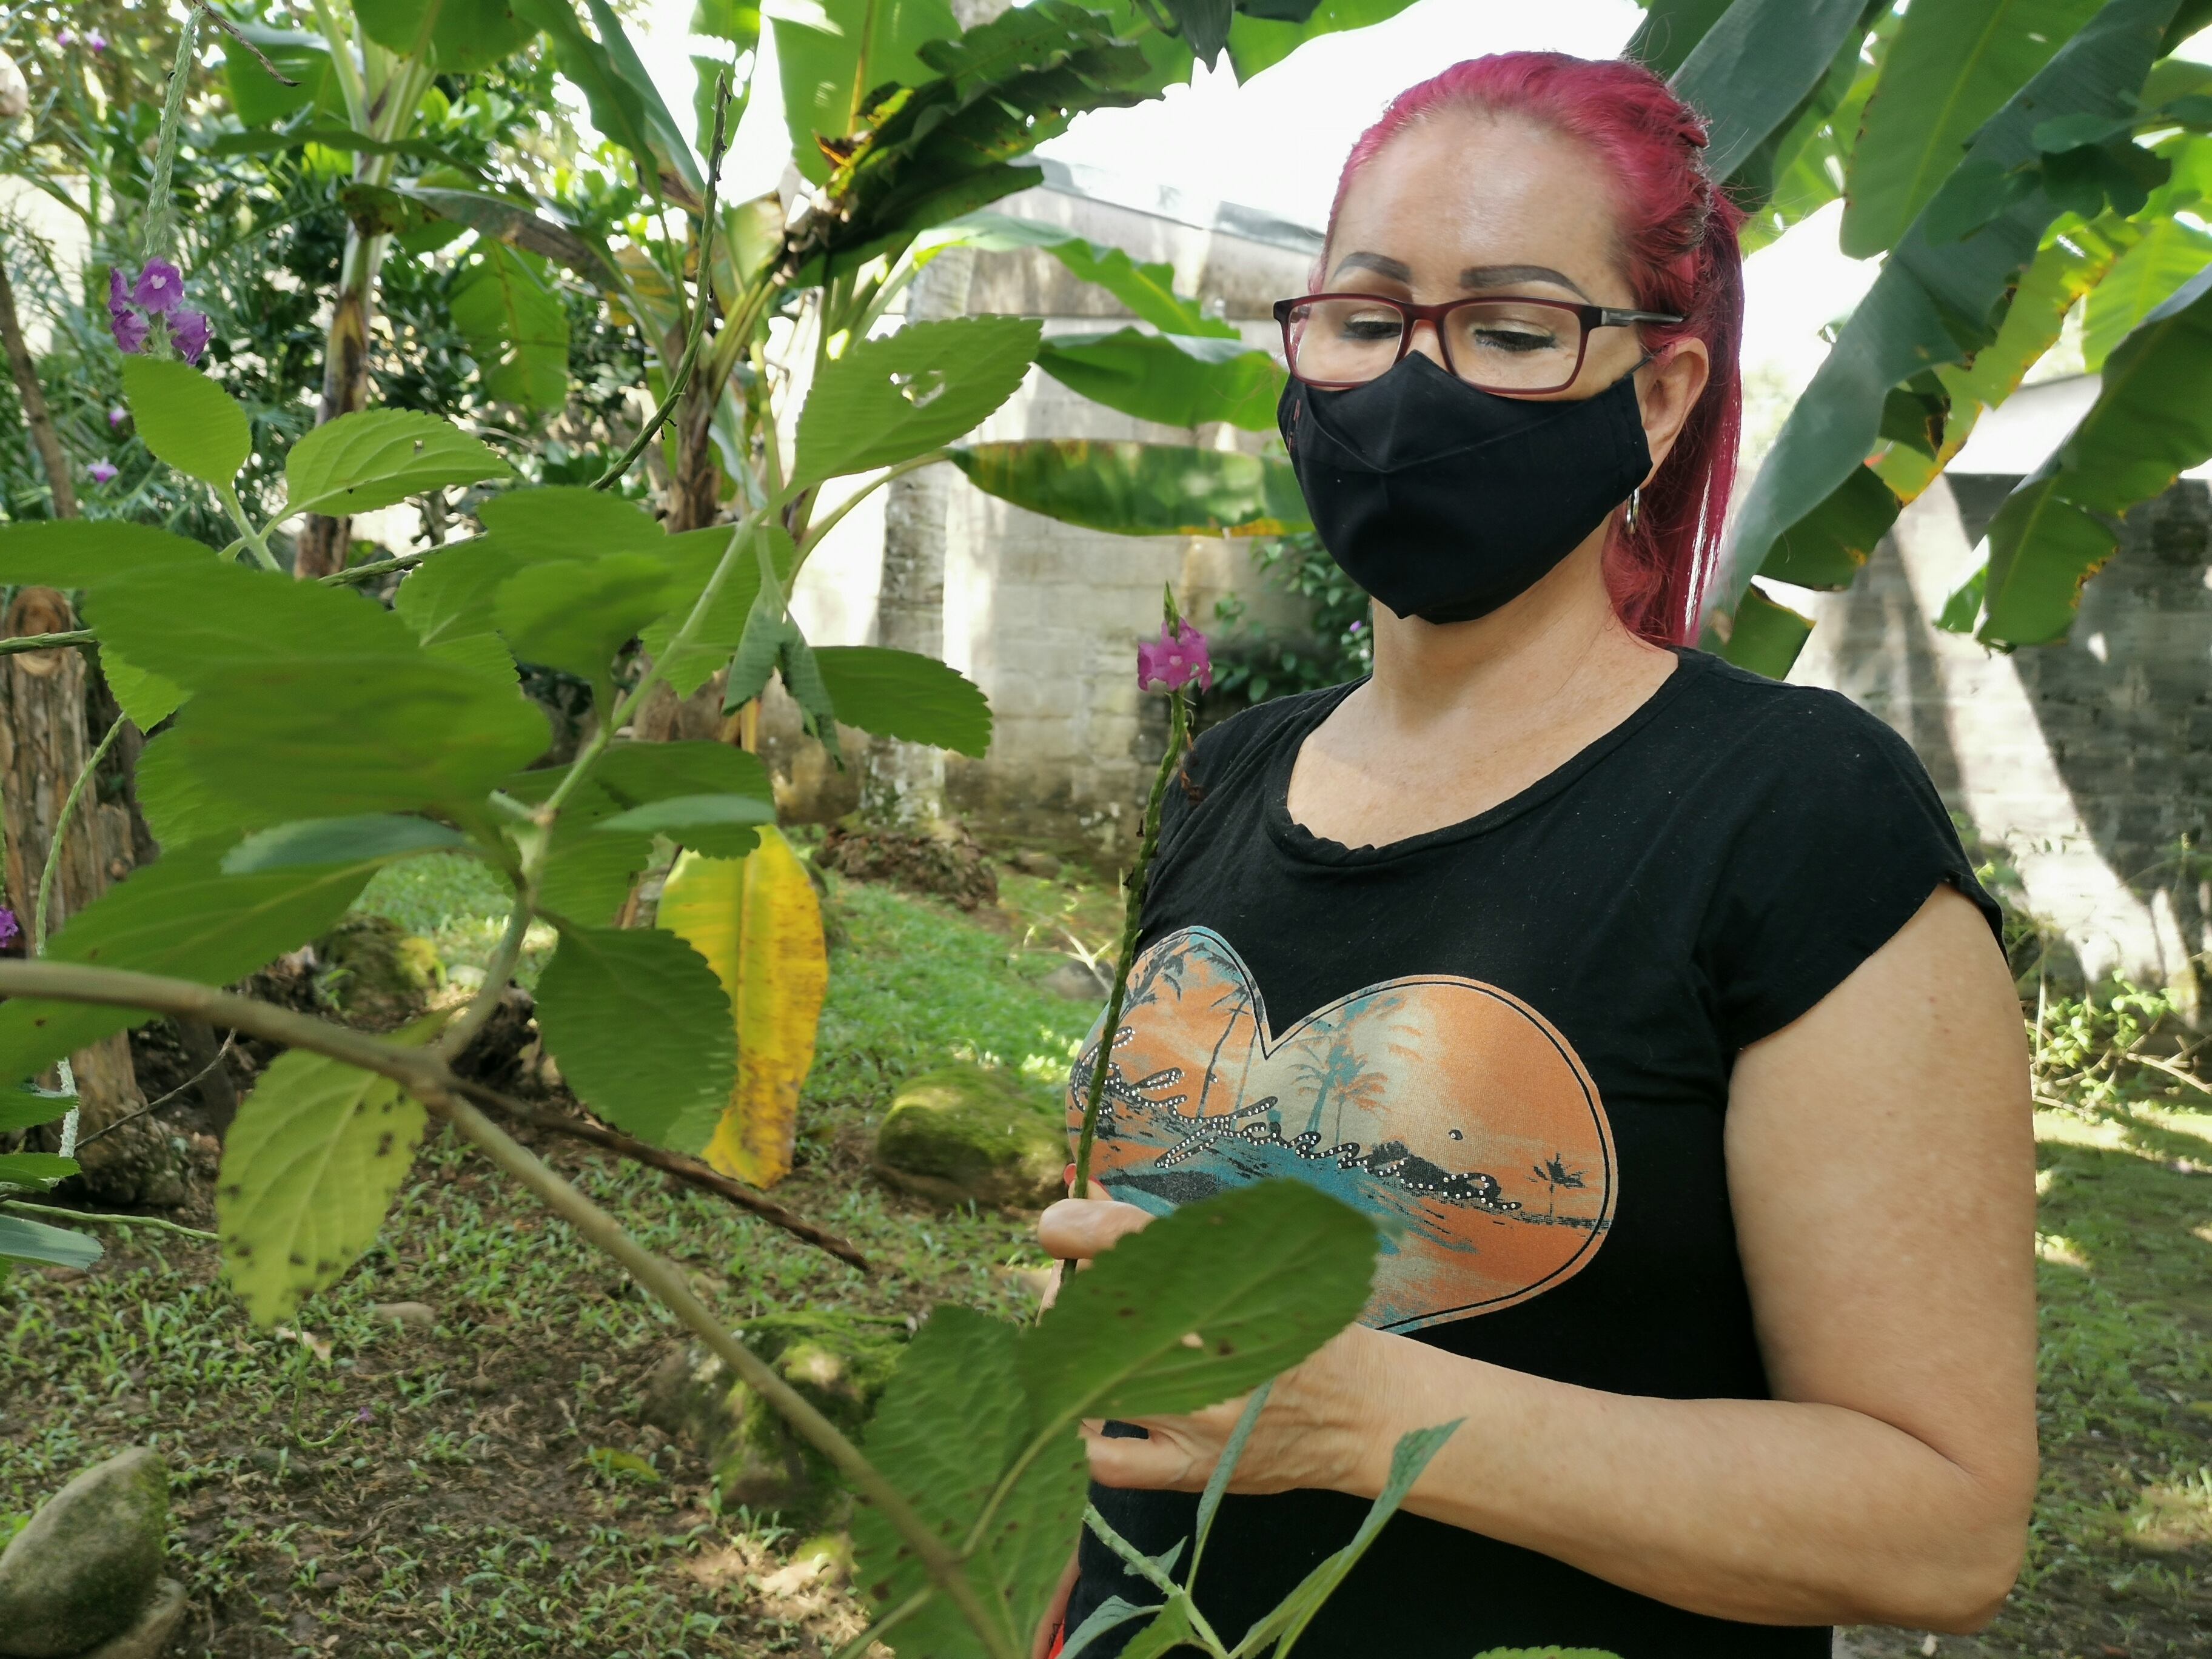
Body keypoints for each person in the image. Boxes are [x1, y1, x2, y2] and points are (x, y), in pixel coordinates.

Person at [1033, 51, 2037, 1659]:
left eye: (1510, 329)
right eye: (1365, 316)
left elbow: (1945, 1523)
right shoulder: (1235, 772)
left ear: (1656, 391)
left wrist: (1361, 1417)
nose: (1411, 383)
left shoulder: (1798, 820)